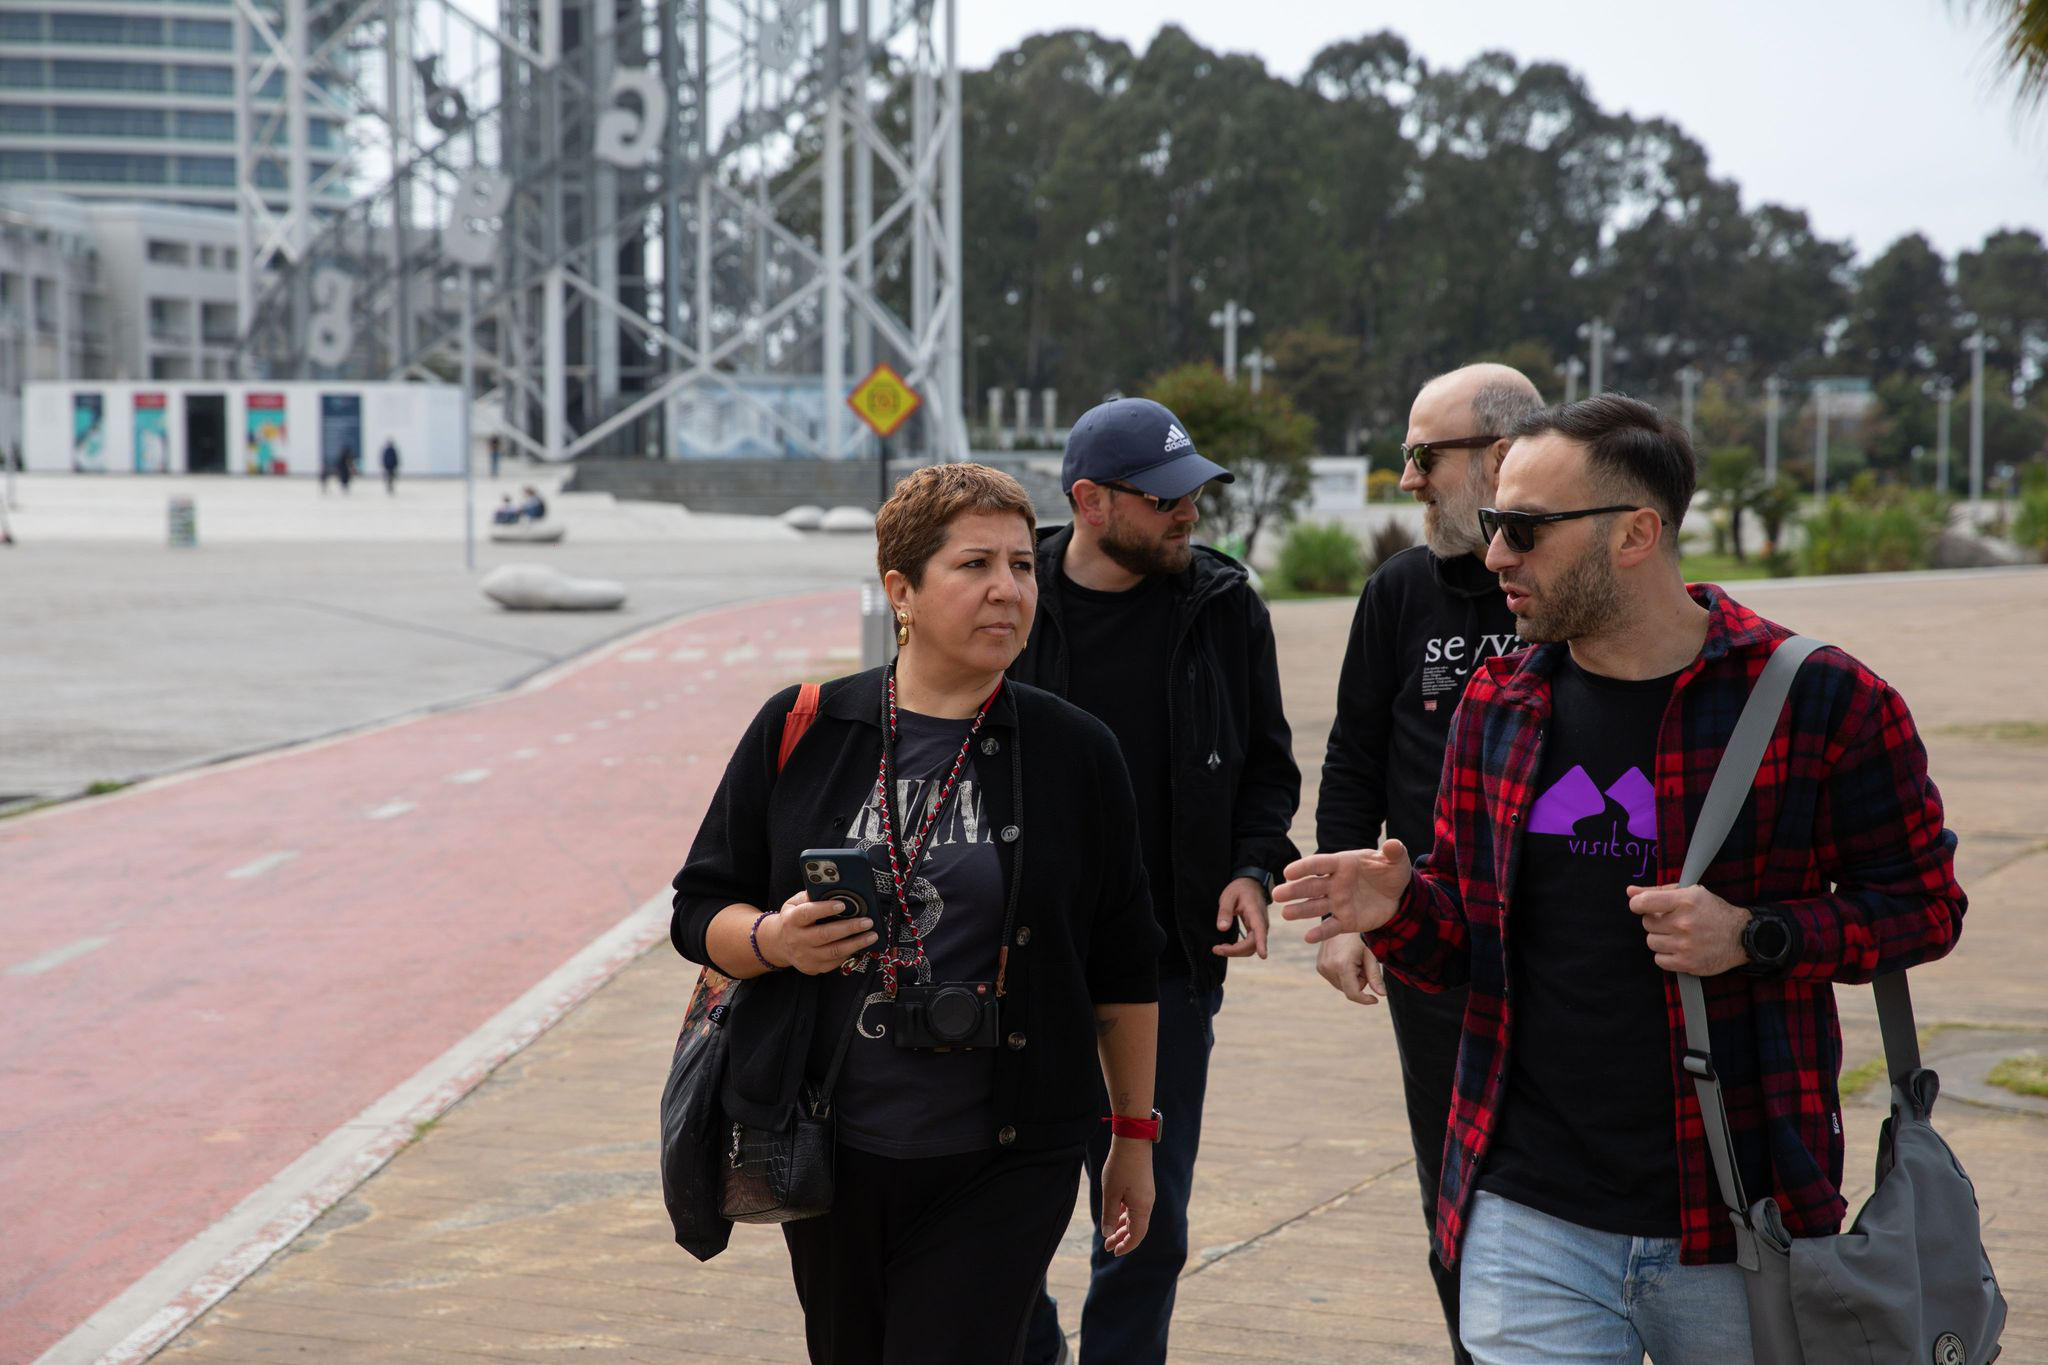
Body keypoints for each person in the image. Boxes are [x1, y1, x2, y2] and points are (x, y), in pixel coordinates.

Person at [1278, 394, 1966, 1364]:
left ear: (1636, 532)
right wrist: (1398, 911)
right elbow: (1465, 952)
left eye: (1523, 529)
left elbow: (1924, 909)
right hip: (1525, 1212)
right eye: (1490, 526)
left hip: (1737, 1215)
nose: (1495, 557)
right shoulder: (1496, 702)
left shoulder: (1819, 699)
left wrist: (1756, 936)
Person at [672, 462, 1165, 1365]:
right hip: (829, 1145)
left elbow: (1125, 964)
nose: (1008, 590)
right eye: (975, 564)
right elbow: (698, 908)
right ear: (901, 588)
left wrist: (1131, 1137)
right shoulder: (805, 726)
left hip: (1010, 1153)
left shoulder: (1075, 752)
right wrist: (773, 940)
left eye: (1022, 565)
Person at [1013, 397, 1300, 1365]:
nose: (1188, 514)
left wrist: (1254, 868)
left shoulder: (1221, 605)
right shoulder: (1010, 599)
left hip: (1164, 960)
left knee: (1147, 1214)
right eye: (1164, 498)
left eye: (1195, 494)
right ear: (1089, 501)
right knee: (1001, 1202)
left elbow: (1266, 762)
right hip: (1013, 950)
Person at [1314, 362, 1539, 1364]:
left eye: (1421, 456)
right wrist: (1339, 919)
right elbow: (1354, 753)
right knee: (1454, 1178)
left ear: (1498, 458)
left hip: (1575, 947)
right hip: (1430, 948)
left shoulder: (1572, 585)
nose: (1404, 479)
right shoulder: (1399, 592)